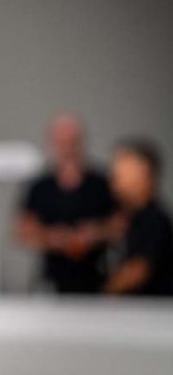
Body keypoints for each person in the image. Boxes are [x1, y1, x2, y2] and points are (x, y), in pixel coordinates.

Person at [17, 114, 116, 293]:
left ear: (82, 142)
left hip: (97, 280)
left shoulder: (101, 183)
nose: (68, 148)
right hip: (51, 281)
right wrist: (55, 238)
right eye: (62, 142)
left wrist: (94, 234)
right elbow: (23, 230)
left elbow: (121, 223)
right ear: (52, 143)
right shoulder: (40, 186)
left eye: (72, 142)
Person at [104, 139, 173, 296]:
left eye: (125, 170)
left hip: (151, 306)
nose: (115, 176)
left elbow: (138, 271)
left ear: (145, 175)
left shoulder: (154, 218)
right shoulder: (126, 216)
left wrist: (107, 292)